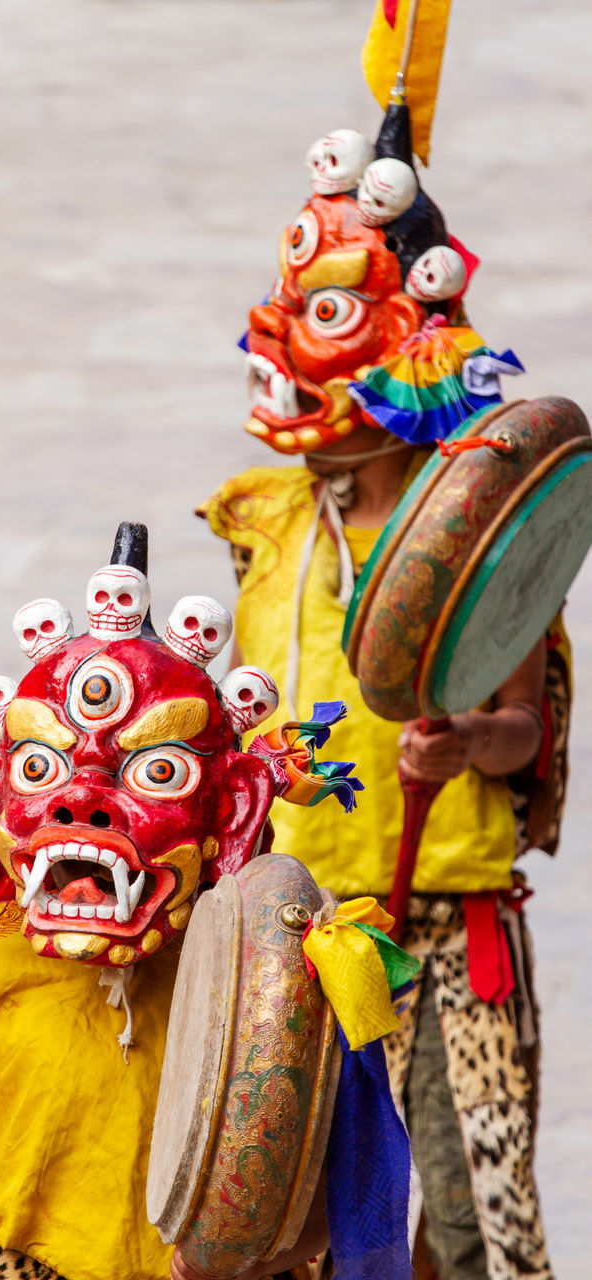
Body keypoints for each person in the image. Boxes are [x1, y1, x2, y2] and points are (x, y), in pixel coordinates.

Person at [202, 112, 568, 1280]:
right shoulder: (258, 521)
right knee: (287, 1228)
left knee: (469, 1225)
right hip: (300, 925)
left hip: (445, 923)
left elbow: (525, 729)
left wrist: (466, 742)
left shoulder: (477, 527)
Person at [0, 535, 410, 1280]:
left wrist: (230, 1260)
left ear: (234, 812)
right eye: (39, 767)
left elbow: (329, 1196)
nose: (83, 801)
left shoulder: (266, 986)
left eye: (154, 771)